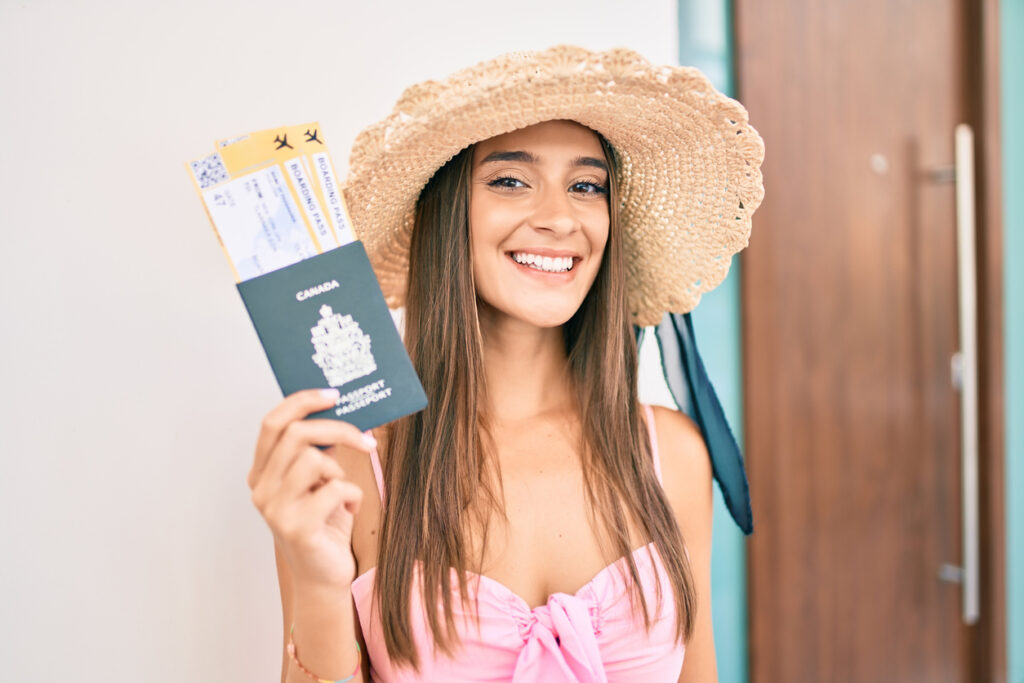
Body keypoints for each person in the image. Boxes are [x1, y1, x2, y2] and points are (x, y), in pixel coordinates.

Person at [247, 45, 764, 683]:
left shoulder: (670, 453)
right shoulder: (350, 464)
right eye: (510, 180)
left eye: (586, 185)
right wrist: (321, 585)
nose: (558, 218)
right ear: (444, 214)